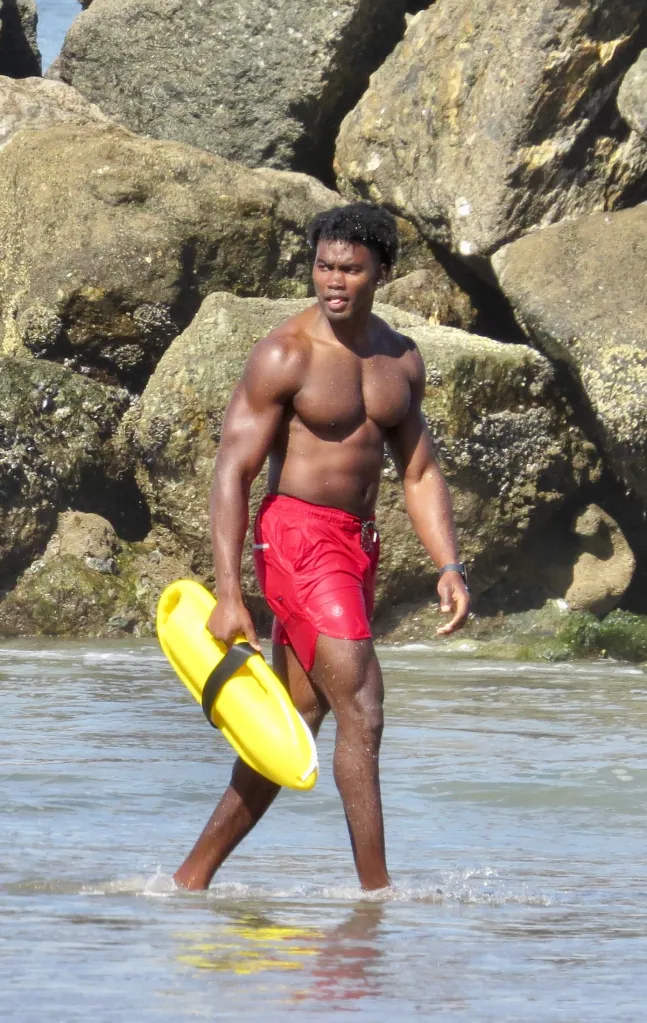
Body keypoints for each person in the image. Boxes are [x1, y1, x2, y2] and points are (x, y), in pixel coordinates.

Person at [174, 203, 470, 892]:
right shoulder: (287, 353)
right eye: (323, 266)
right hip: (297, 538)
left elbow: (419, 471)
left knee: (292, 721)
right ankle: (378, 898)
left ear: (381, 274)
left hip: (356, 547)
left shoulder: (400, 359)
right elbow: (233, 469)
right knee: (362, 703)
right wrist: (226, 592)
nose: (333, 281)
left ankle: (188, 882)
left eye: (350, 268)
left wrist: (448, 563)